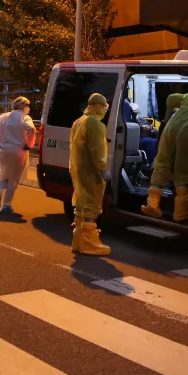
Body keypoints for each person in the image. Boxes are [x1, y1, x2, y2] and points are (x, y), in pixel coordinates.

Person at [141, 93, 188, 222]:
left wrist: (169, 112)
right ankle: (180, 212)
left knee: (161, 162)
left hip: (170, 128)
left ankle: (152, 205)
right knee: (182, 170)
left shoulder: (186, 100)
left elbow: (170, 98)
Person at [69, 92, 112, 255]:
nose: (105, 110)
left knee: (81, 204)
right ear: (99, 106)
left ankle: (78, 241)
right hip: (90, 170)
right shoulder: (95, 124)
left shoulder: (78, 122)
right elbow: (97, 149)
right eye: (105, 107)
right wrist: (102, 169)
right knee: (91, 206)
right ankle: (89, 243)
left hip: (77, 169)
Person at [0, 96, 36, 213]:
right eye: (28, 106)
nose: (28, 108)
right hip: (18, 152)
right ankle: (7, 205)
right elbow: (32, 129)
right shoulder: (25, 118)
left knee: (3, 174)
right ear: (23, 106)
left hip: (4, 150)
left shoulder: (4, 116)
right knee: (13, 179)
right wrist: (29, 144)